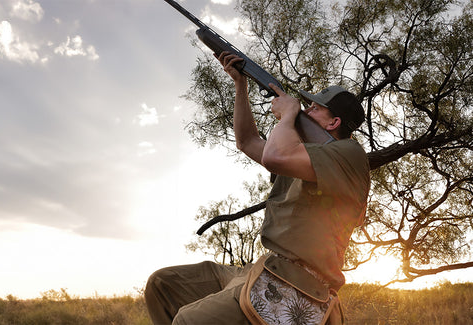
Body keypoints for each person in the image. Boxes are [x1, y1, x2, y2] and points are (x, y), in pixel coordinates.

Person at [144, 51, 370, 325]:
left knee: (186, 321)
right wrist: (241, 86)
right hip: (265, 266)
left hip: (297, 281)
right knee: (162, 284)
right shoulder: (304, 154)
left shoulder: (349, 153)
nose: (305, 110)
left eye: (314, 108)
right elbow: (248, 141)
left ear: (333, 123)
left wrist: (287, 116)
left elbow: (274, 156)